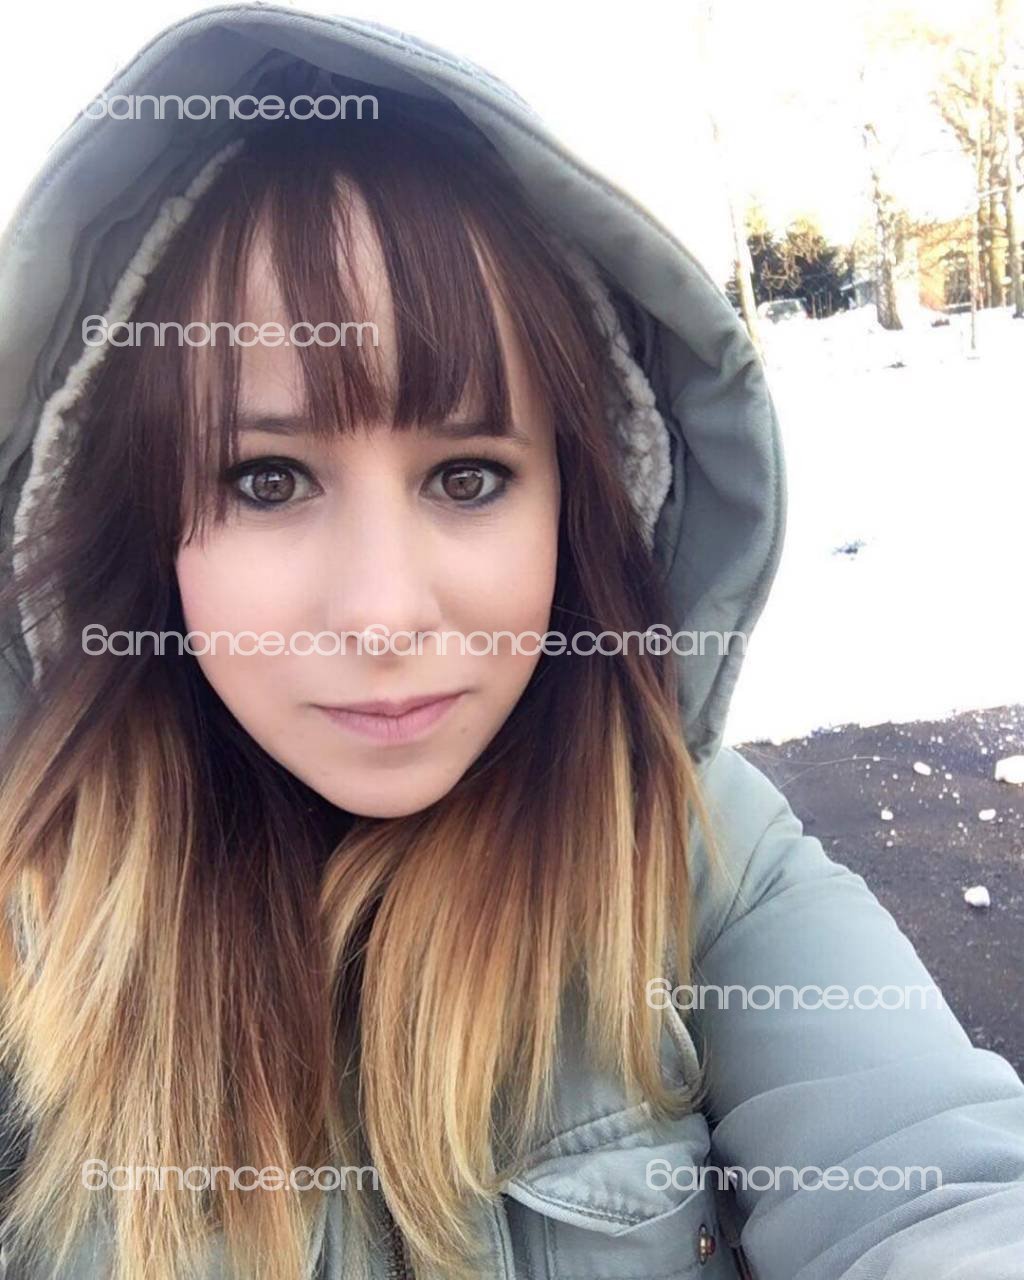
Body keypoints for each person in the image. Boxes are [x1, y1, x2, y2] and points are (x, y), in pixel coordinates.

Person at [0, 8, 1021, 1280]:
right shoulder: (34, 907)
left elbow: (926, 1185)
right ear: (136, 520)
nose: (384, 611)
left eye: (468, 475)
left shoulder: (691, 850)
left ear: (576, 505)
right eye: (267, 479)